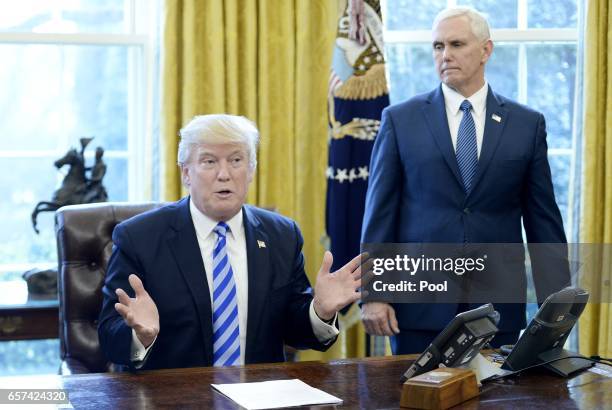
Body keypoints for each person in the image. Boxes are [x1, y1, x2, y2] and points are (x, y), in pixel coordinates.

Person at [360, 7, 569, 354]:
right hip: (418, 308)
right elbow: (380, 215)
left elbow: (543, 219)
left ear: (486, 50)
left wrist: (558, 304)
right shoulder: (400, 120)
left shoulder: (526, 125)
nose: (445, 55)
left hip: (496, 307)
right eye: (438, 46)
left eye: (456, 44)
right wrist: (374, 295)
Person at [98, 114, 364, 370]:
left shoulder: (282, 236)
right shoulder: (139, 238)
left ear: (250, 171)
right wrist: (140, 336)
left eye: (236, 160)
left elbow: (295, 332)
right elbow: (109, 337)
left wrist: (319, 311)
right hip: (173, 396)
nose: (224, 174)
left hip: (260, 395)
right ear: (186, 173)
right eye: (209, 162)